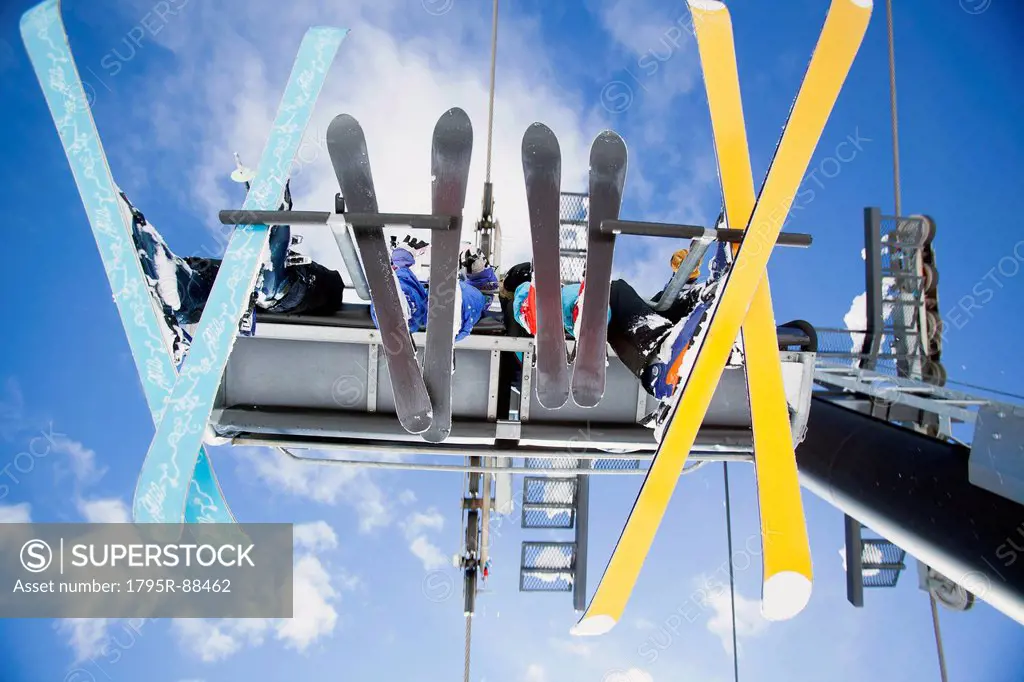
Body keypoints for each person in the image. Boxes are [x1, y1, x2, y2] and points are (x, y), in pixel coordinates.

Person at [121, 189, 345, 364]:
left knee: (295, 288)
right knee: (213, 278)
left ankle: (271, 279)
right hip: (257, 291)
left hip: (302, 290)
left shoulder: (326, 290)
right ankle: (179, 284)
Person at [503, 242, 731, 399]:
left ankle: (703, 295)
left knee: (645, 307)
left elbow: (648, 312)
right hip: (574, 320)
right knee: (616, 293)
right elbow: (519, 351)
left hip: (588, 315)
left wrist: (681, 279)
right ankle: (656, 360)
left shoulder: (558, 294)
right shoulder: (517, 304)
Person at [374, 239, 499, 341]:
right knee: (408, 284)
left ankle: (451, 309)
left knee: (471, 296)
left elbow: (489, 290)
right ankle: (401, 306)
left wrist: (479, 271)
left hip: (459, 300)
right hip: (432, 299)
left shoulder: (471, 290)